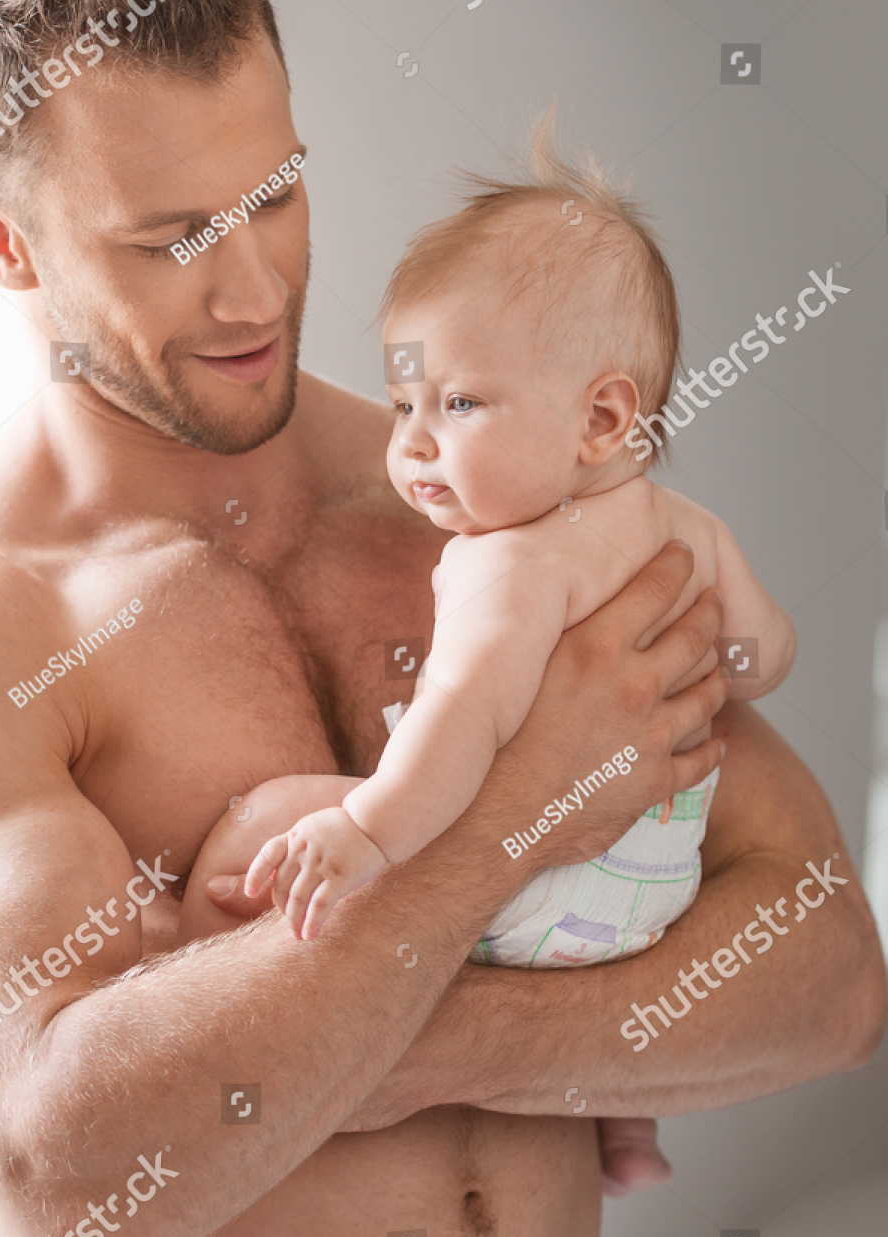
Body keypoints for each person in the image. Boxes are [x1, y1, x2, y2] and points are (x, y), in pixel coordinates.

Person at [0, 0, 881, 1237]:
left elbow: (822, 975)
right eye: (168, 241)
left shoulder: (483, 500)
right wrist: (507, 813)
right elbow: (66, 1190)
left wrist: (375, 1046)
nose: (254, 291)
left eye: (273, 194)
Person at [207, 144, 795, 947]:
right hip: (657, 882)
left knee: (267, 819)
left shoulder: (511, 563)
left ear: (601, 421)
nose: (413, 443)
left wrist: (367, 835)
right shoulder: (692, 529)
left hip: (547, 887)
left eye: (457, 402)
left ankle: (182, 931)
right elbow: (760, 664)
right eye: (401, 406)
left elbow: (463, 714)